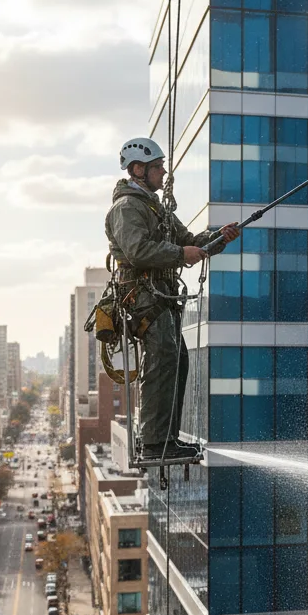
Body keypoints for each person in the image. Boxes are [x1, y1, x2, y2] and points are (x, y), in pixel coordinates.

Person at [106, 138, 240, 461]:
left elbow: (190, 241)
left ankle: (166, 437)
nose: (164, 172)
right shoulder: (126, 208)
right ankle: (154, 443)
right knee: (162, 359)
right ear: (138, 170)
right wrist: (182, 254)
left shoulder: (155, 207)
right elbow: (138, 251)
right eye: (158, 167)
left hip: (158, 298)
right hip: (142, 298)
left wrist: (218, 238)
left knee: (176, 360)